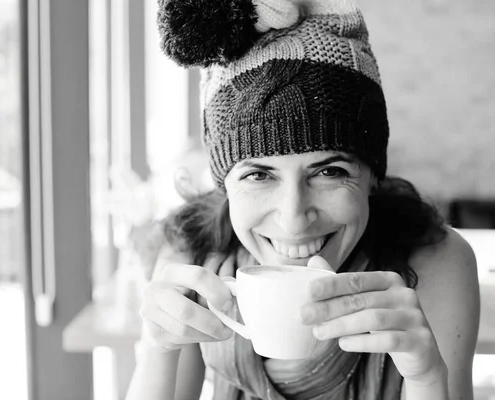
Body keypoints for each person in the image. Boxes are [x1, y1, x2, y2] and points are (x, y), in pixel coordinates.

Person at [127, 0, 480, 399]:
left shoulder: (436, 265)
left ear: (371, 177)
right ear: (225, 185)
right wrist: (156, 350)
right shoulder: (191, 256)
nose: (294, 219)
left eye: (330, 172)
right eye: (258, 175)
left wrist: (427, 379)